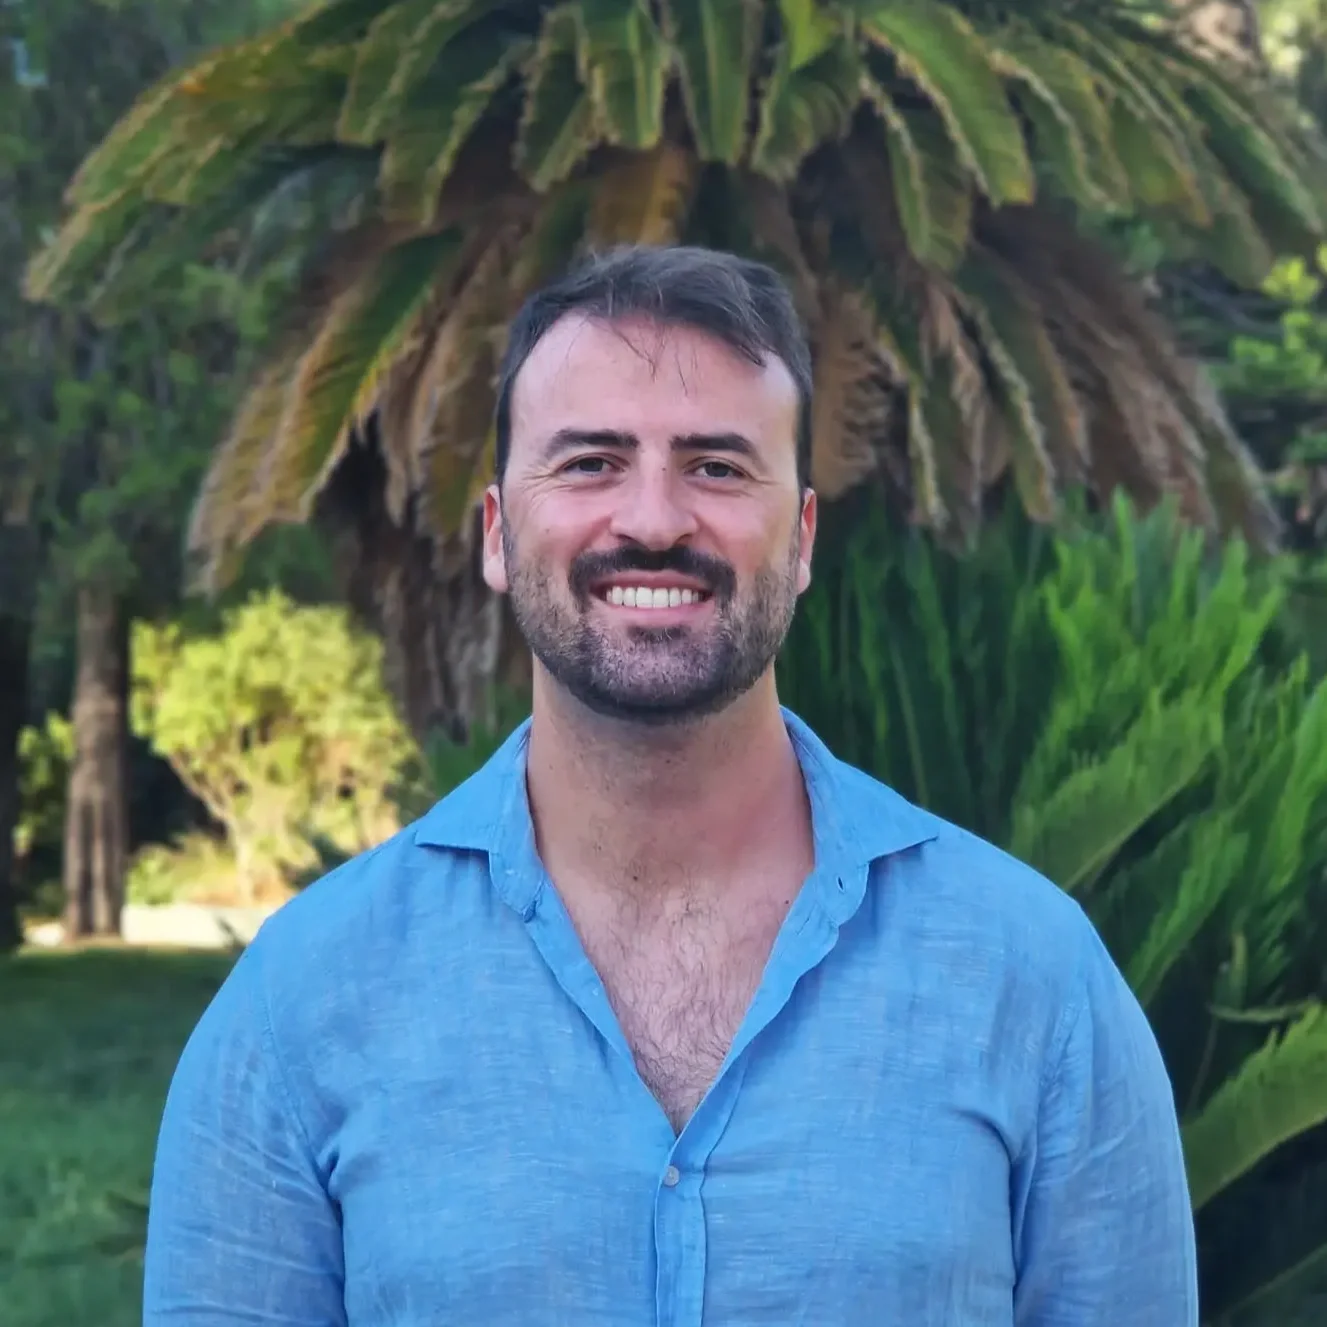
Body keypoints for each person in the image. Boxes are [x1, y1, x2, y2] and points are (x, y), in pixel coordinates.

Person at [143, 244, 1199, 1325]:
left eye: (717, 466)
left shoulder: (1034, 978)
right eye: (592, 461)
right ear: (500, 535)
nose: (652, 518)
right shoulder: (303, 1001)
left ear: (799, 540)